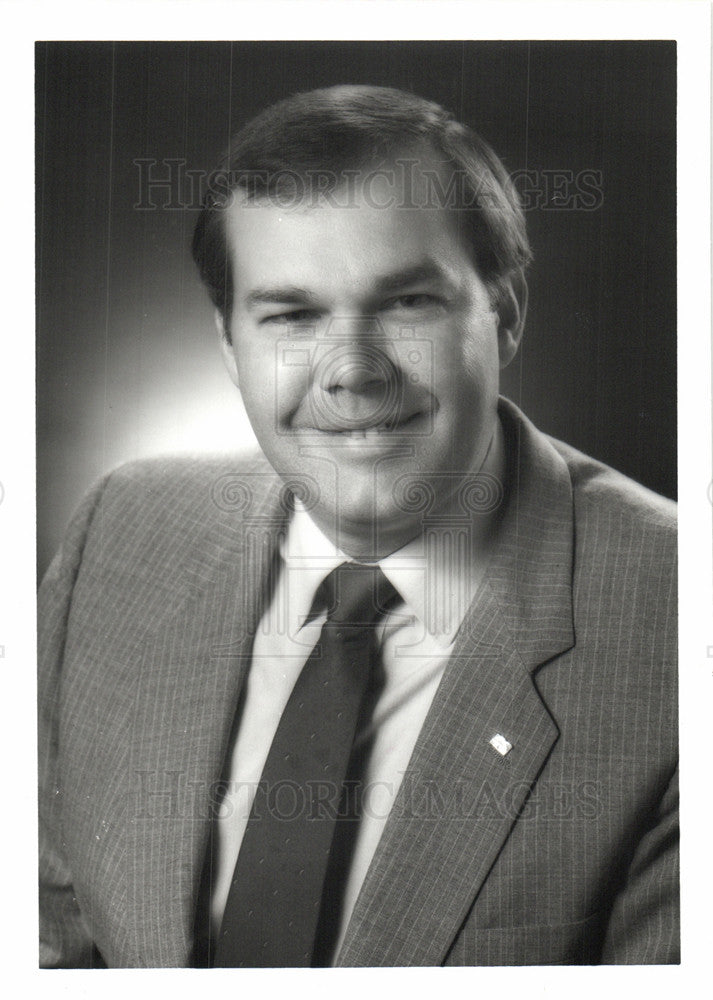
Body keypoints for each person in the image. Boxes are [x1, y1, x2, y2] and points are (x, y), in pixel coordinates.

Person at [38, 85, 678, 968]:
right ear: (228, 345)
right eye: (291, 316)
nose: (350, 373)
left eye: (406, 303)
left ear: (504, 314)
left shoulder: (680, 627)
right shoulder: (122, 535)